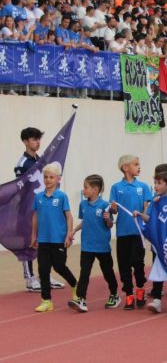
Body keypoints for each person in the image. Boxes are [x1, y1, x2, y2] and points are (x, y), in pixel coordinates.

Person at [14, 126, 63, 291]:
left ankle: (45, 275)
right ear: (25, 141)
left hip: (42, 207)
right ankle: (29, 279)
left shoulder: (41, 161)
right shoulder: (22, 163)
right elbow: (22, 189)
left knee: (43, 242)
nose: (38, 142)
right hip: (27, 208)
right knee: (29, 242)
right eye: (34, 139)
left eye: (39, 139)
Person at [68, 175, 120, 312]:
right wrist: (74, 230)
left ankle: (114, 294)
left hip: (102, 246)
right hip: (87, 246)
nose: (83, 190)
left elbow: (109, 225)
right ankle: (81, 299)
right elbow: (86, 221)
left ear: (95, 189)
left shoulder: (104, 205)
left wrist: (108, 219)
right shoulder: (83, 205)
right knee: (84, 273)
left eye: (86, 187)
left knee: (107, 272)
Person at [30, 163, 78, 312]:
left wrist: (69, 234)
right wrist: (33, 236)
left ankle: (75, 284)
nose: (48, 180)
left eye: (51, 177)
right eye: (46, 177)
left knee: (59, 266)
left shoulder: (62, 196)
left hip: (58, 239)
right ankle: (46, 300)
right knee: (43, 269)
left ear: (58, 179)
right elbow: (35, 217)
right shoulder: (38, 197)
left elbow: (68, 217)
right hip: (43, 239)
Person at [109, 155, 152, 310]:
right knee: (124, 264)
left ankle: (140, 288)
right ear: (125, 168)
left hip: (138, 232)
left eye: (139, 164)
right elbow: (114, 209)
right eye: (136, 164)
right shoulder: (116, 187)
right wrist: (112, 208)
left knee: (138, 262)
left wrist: (141, 215)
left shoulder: (143, 186)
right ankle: (128, 294)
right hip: (123, 232)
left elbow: (147, 207)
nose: (139, 167)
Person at [139, 170, 167, 314]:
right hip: (159, 242)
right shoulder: (155, 201)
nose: (155, 186)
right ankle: (157, 299)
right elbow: (149, 218)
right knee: (158, 266)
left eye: (159, 183)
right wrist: (140, 215)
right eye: (155, 182)